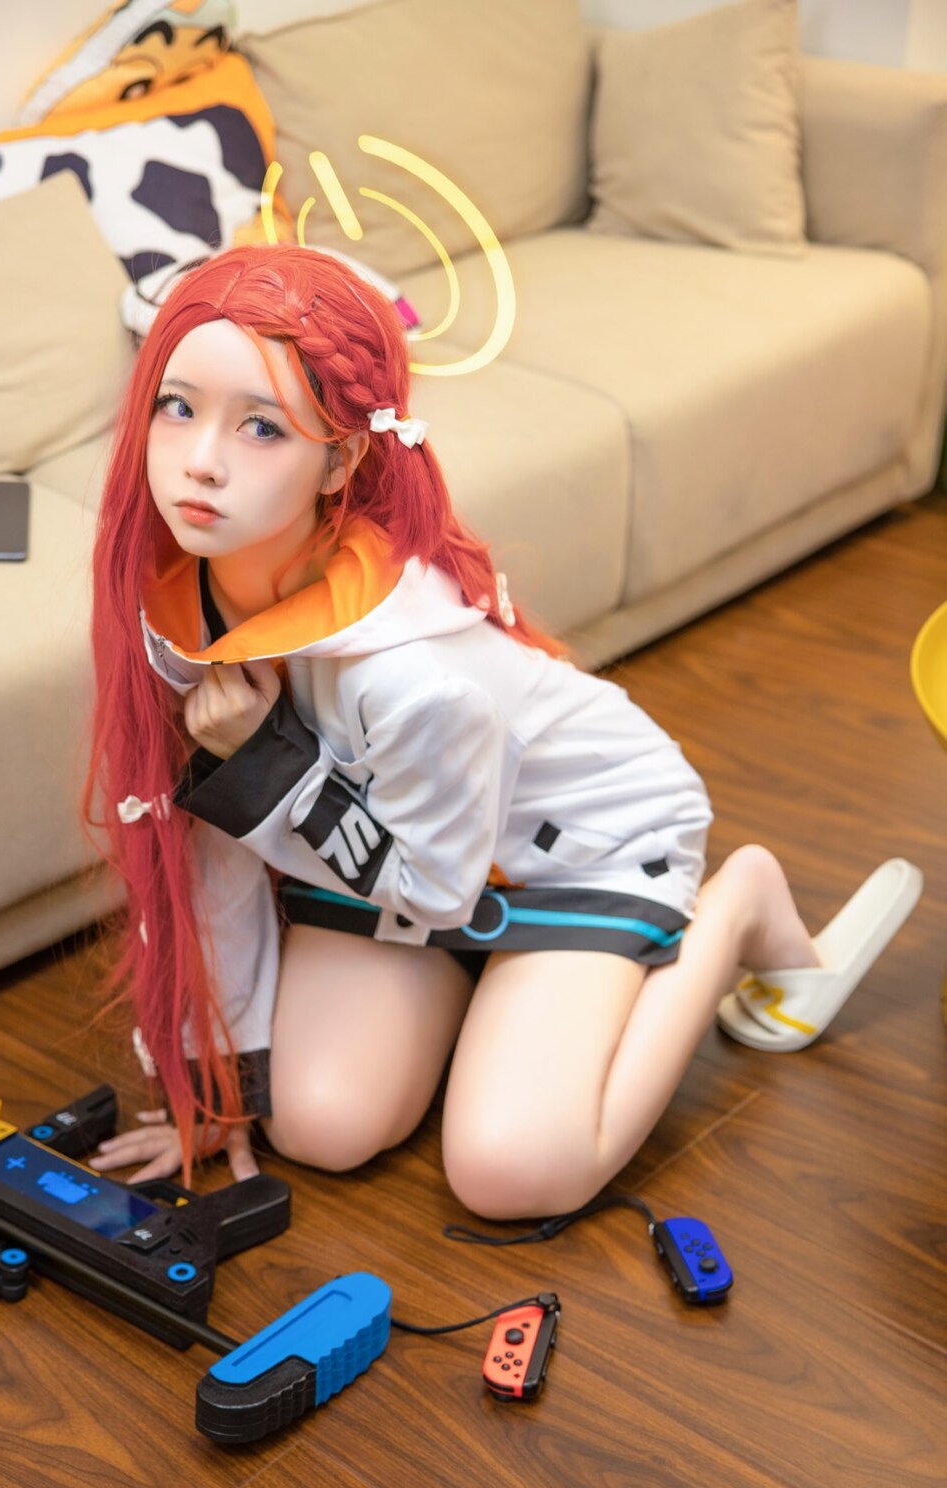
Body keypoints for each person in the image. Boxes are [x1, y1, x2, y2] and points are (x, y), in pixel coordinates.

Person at [84, 243, 921, 1214]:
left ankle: (735, 906)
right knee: (317, 1125)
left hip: (580, 851)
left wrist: (270, 767)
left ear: (340, 459)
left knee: (511, 1171)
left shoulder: (413, 678)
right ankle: (498, 989)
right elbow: (215, 851)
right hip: (411, 854)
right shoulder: (182, 601)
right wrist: (216, 1088)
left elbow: (425, 881)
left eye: (261, 425)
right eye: (177, 406)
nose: (200, 460)